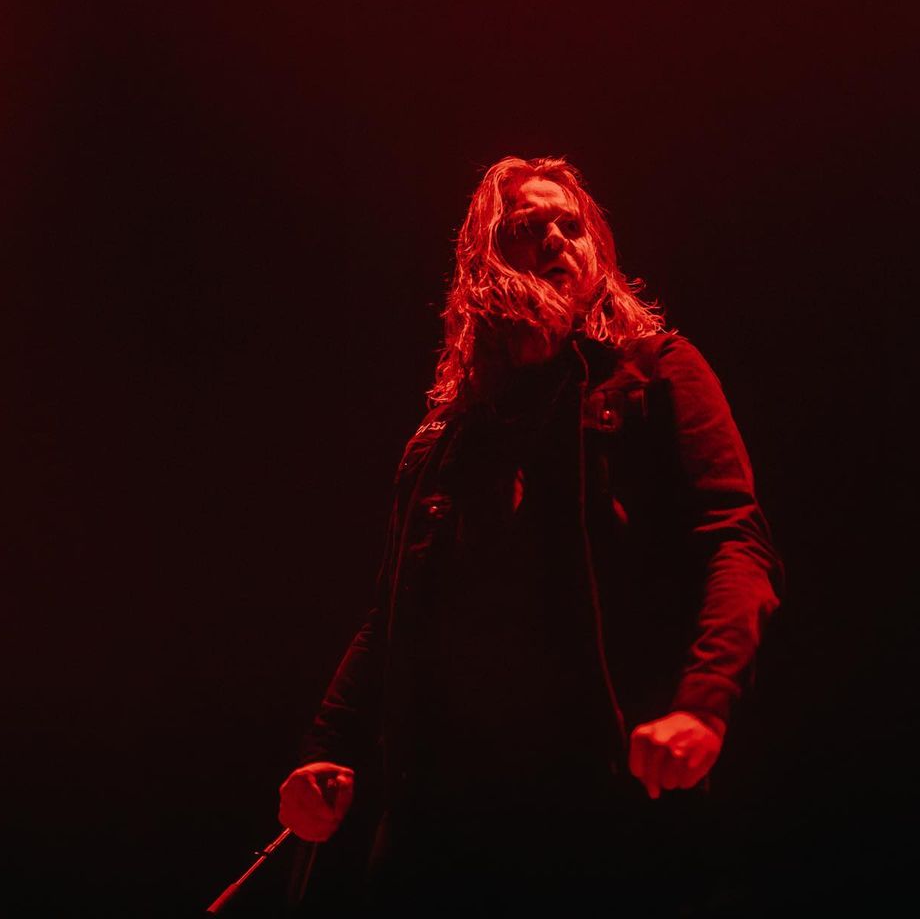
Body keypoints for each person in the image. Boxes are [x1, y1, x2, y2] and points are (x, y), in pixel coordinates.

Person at [278, 156, 782, 916]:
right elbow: (392, 614)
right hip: (444, 832)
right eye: (527, 227)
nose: (555, 239)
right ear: (484, 261)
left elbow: (735, 540)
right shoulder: (443, 438)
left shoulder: (656, 374)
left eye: (570, 225)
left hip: (608, 810)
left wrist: (703, 702)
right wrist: (325, 750)